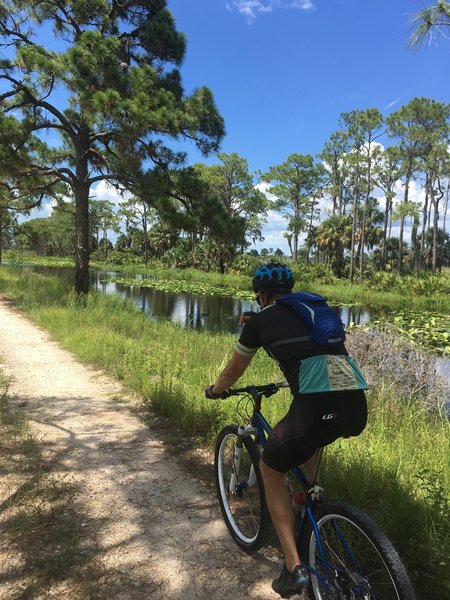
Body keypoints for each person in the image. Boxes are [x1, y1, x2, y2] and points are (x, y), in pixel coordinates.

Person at [205, 262, 368, 598]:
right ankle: (312, 502)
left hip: (315, 406)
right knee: (314, 439)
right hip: (355, 402)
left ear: (261, 295)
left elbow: (234, 369)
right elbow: (297, 335)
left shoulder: (260, 320)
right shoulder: (313, 309)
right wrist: (258, 321)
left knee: (270, 467)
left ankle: (294, 568)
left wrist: (216, 390)